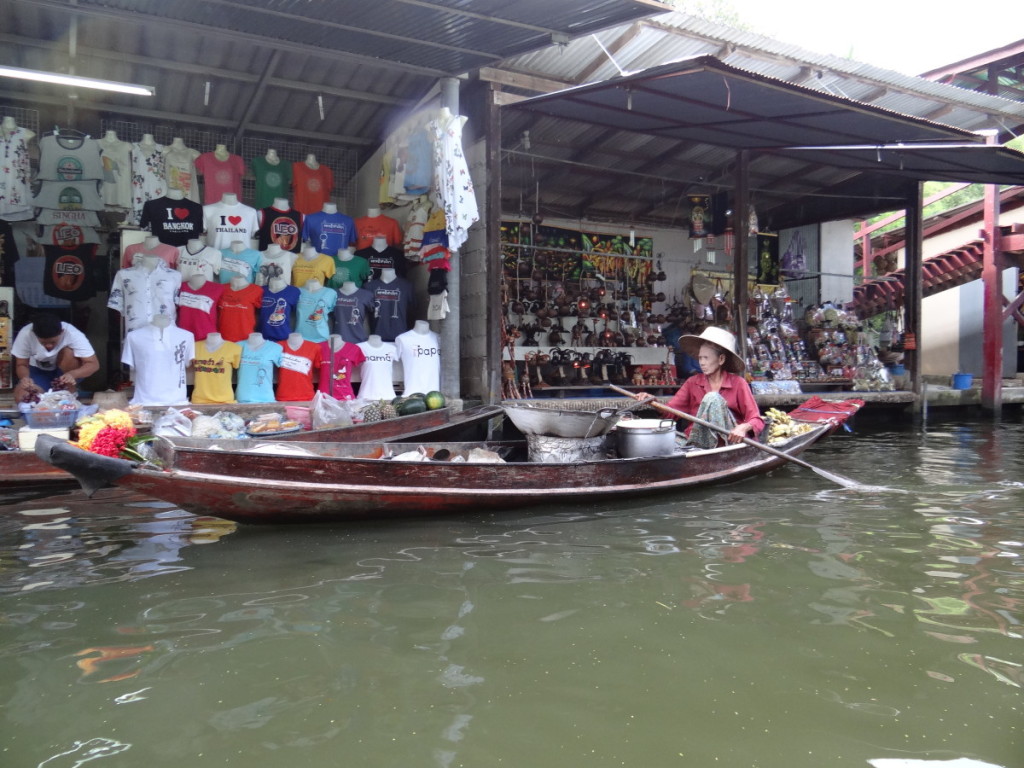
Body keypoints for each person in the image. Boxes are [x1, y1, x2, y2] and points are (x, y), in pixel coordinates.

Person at [639, 326, 762, 448]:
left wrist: (743, 427)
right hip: (697, 442)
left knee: (713, 398)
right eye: (700, 358)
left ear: (721, 359)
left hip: (728, 442)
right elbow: (671, 412)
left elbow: (756, 419)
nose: (702, 363)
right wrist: (654, 402)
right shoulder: (693, 382)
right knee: (658, 443)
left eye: (706, 358)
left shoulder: (738, 383)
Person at [11, 313, 100, 402]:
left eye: (53, 342)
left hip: (65, 375)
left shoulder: (72, 333)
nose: (49, 346)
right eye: (43, 343)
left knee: (69, 353)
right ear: (34, 335)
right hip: (37, 372)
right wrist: (25, 378)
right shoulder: (26, 333)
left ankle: (69, 391)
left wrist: (72, 374)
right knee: (22, 397)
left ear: (62, 332)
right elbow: (21, 364)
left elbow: (93, 364)